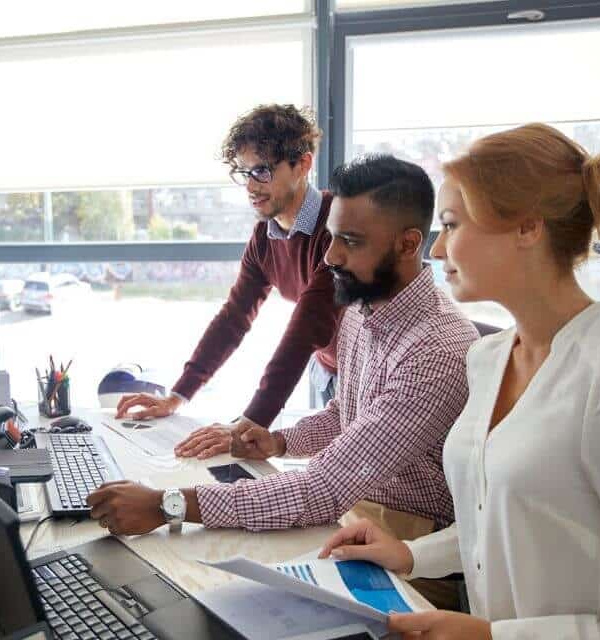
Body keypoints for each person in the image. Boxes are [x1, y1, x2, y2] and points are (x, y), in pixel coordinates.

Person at [318, 123, 600, 638]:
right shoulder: (488, 357)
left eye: (452, 225)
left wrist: (493, 637)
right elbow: (503, 522)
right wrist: (412, 554)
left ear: (527, 228)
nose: (436, 252)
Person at [89, 155, 478, 547]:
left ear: (408, 244)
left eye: (350, 242)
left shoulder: (436, 351)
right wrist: (279, 441)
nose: (330, 257)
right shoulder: (362, 309)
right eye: (332, 237)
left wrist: (165, 506)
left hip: (410, 532)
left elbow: (322, 490)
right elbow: (346, 415)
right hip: (354, 502)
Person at [115, 104, 341, 450]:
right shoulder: (264, 238)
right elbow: (234, 318)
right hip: (326, 368)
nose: (251, 186)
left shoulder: (339, 226)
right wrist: (178, 395)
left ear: (304, 164)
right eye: (245, 172)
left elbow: (307, 325)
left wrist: (250, 423)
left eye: (262, 171)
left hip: (365, 368)